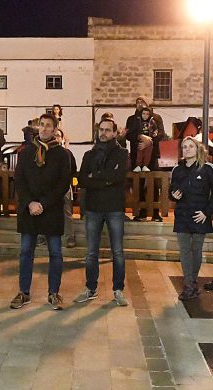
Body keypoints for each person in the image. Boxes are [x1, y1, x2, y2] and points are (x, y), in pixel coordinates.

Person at [9, 114, 70, 310]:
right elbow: (19, 180)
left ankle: (54, 293)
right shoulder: (27, 152)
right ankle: (24, 292)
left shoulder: (61, 154)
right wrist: (29, 203)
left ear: (54, 129)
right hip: (29, 209)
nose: (44, 129)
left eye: (48, 126)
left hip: (51, 209)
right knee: (26, 252)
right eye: (41, 125)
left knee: (55, 253)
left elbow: (63, 183)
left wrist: (43, 203)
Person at [74, 118, 129, 307]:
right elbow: (81, 179)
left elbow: (118, 176)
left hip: (114, 208)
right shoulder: (90, 155)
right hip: (93, 208)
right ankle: (90, 288)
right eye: (101, 130)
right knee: (91, 253)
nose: (103, 133)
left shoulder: (122, 154)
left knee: (118, 252)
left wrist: (95, 176)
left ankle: (118, 290)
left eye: (108, 130)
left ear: (115, 133)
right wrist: (105, 180)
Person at [169, 137, 213, 300]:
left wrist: (207, 213)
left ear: (197, 149)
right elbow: (172, 193)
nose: (187, 149)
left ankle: (192, 282)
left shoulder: (207, 169)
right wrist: (173, 195)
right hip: (182, 216)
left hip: (200, 216)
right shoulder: (177, 170)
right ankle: (189, 286)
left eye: (190, 146)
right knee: (185, 252)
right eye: (184, 147)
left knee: (196, 251)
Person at [126, 96, 165, 222]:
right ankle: (141, 212)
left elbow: (161, 133)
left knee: (154, 183)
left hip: (152, 156)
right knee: (138, 184)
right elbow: (129, 135)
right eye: (137, 102)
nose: (139, 104)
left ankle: (155, 212)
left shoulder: (157, 118)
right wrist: (141, 137)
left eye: (142, 102)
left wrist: (149, 141)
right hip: (137, 155)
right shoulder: (131, 119)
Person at [54, 128, 77, 248]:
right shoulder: (45, 152)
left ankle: (70, 237)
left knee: (67, 212)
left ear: (62, 139)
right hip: (49, 187)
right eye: (55, 135)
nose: (56, 138)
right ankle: (43, 236)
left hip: (64, 187)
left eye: (58, 136)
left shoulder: (67, 153)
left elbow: (73, 169)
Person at [132, 107, 158, 173]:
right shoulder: (138, 121)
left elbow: (156, 129)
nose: (145, 115)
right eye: (143, 113)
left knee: (147, 153)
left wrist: (155, 133)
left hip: (149, 140)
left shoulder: (152, 122)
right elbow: (135, 131)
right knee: (140, 153)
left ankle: (145, 165)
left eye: (147, 114)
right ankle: (138, 165)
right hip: (140, 140)